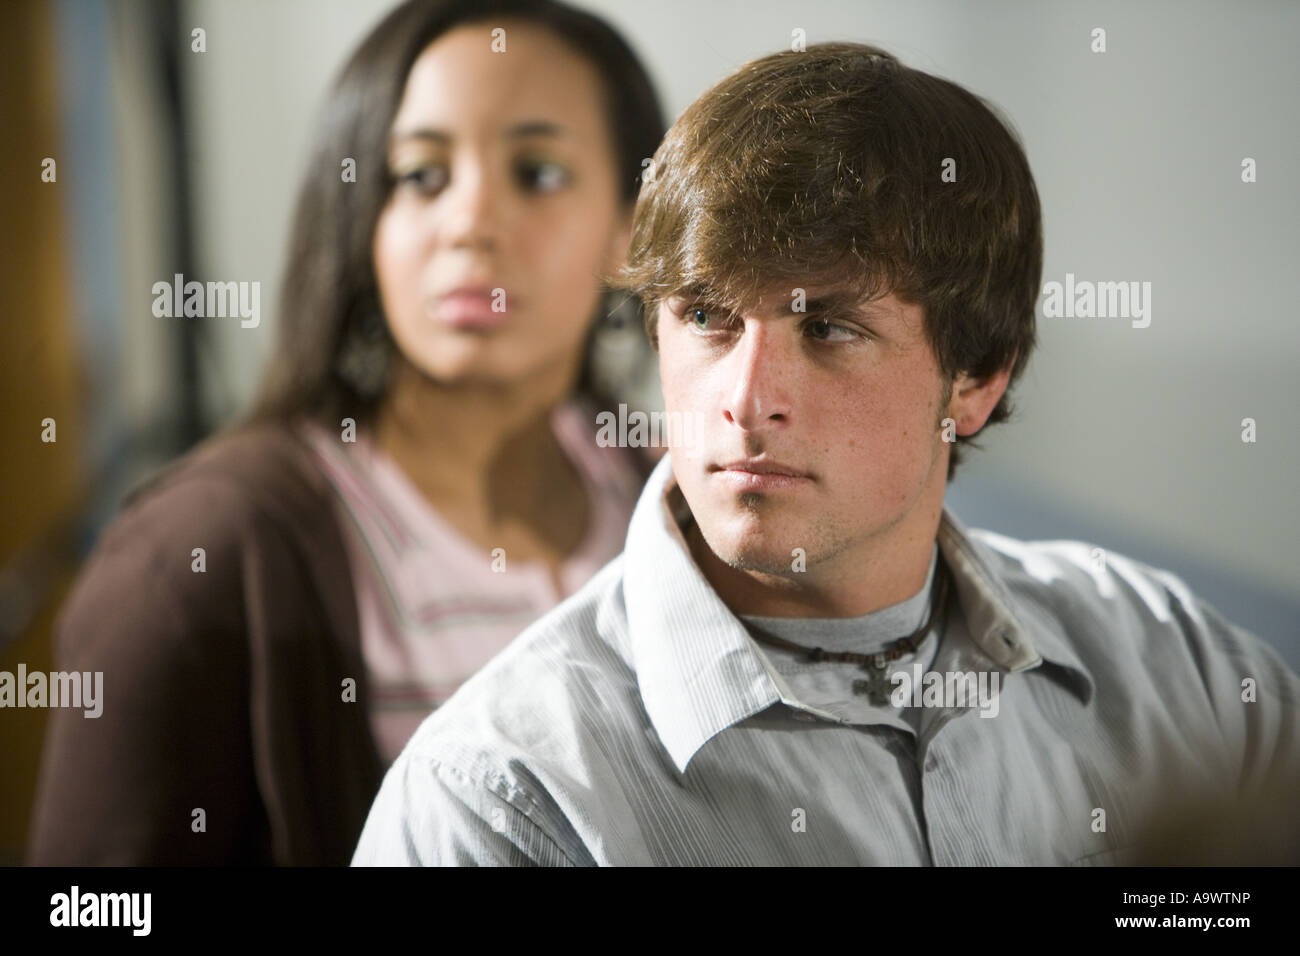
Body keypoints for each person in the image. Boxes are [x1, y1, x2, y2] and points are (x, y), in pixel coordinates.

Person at [351, 42, 1300, 866]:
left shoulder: (1182, 671)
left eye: (830, 329)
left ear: (975, 379)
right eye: (706, 318)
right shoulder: (502, 801)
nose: (746, 400)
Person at [27, 0, 665, 865]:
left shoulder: (678, 510)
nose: (470, 222)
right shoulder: (198, 557)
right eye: (419, 176)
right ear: (363, 224)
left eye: (539, 172)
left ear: (633, 229)